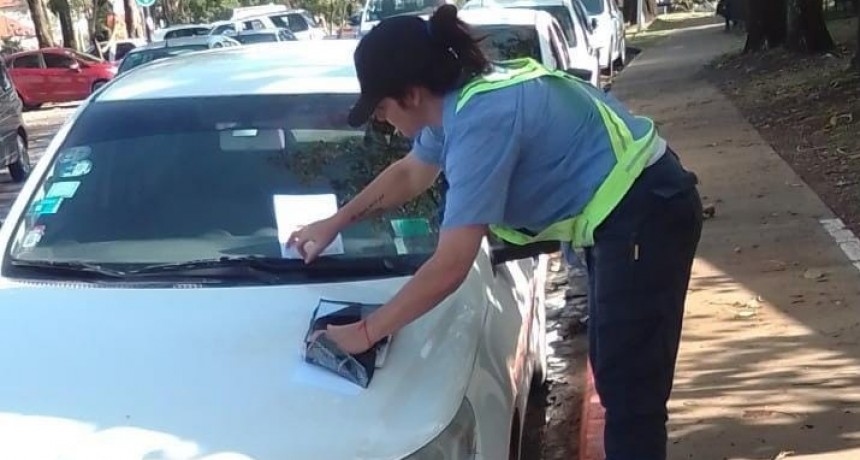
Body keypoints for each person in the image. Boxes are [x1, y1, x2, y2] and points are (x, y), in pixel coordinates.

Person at [289, 5, 703, 459]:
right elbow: (412, 174)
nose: (382, 121)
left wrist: (365, 334)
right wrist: (334, 223)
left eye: (381, 107)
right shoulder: (458, 103)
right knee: (618, 376)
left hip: (647, 214)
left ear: (410, 94)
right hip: (630, 213)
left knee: (631, 396)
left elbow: (450, 266)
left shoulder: (481, 120)